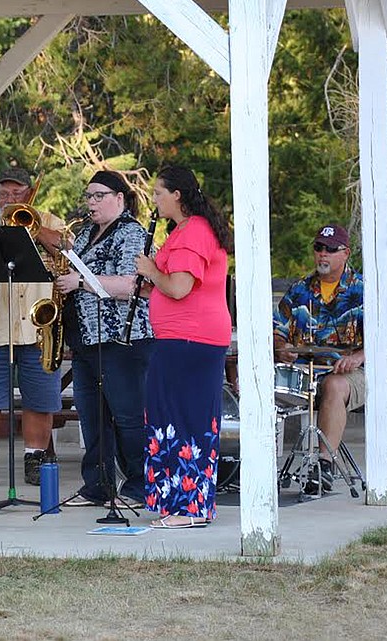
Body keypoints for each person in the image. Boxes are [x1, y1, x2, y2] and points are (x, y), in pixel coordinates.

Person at [134, 165, 233, 529]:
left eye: (159, 193)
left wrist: (150, 271)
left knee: (184, 419)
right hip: (180, 338)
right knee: (167, 416)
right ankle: (175, 501)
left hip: (191, 339)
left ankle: (189, 508)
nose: (155, 200)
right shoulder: (185, 231)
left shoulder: (195, 232)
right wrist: (152, 284)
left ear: (177, 195)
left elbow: (178, 288)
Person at [0, 167, 64, 488]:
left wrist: (35, 229)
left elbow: (67, 251)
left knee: (39, 398)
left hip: (38, 325)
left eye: (16, 193)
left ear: (30, 192)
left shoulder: (50, 220)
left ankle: (35, 457)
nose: (9, 198)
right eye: (4, 193)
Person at [54, 170, 153, 509]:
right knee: (92, 415)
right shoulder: (84, 235)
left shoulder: (131, 234)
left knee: (128, 416)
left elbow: (129, 286)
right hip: (85, 339)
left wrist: (79, 282)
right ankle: (97, 486)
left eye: (99, 195)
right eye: (89, 196)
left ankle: (141, 485)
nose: (91, 202)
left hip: (121, 337)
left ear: (120, 199)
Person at [273, 223, 365, 495]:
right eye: (318, 248)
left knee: (334, 386)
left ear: (346, 253)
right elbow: (276, 330)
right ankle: (254, 463)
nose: (322, 254)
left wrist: (359, 357)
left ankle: (324, 465)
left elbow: (385, 337)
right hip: (303, 374)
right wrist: (282, 347)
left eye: (330, 249)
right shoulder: (299, 289)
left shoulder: (362, 290)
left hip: (348, 375)